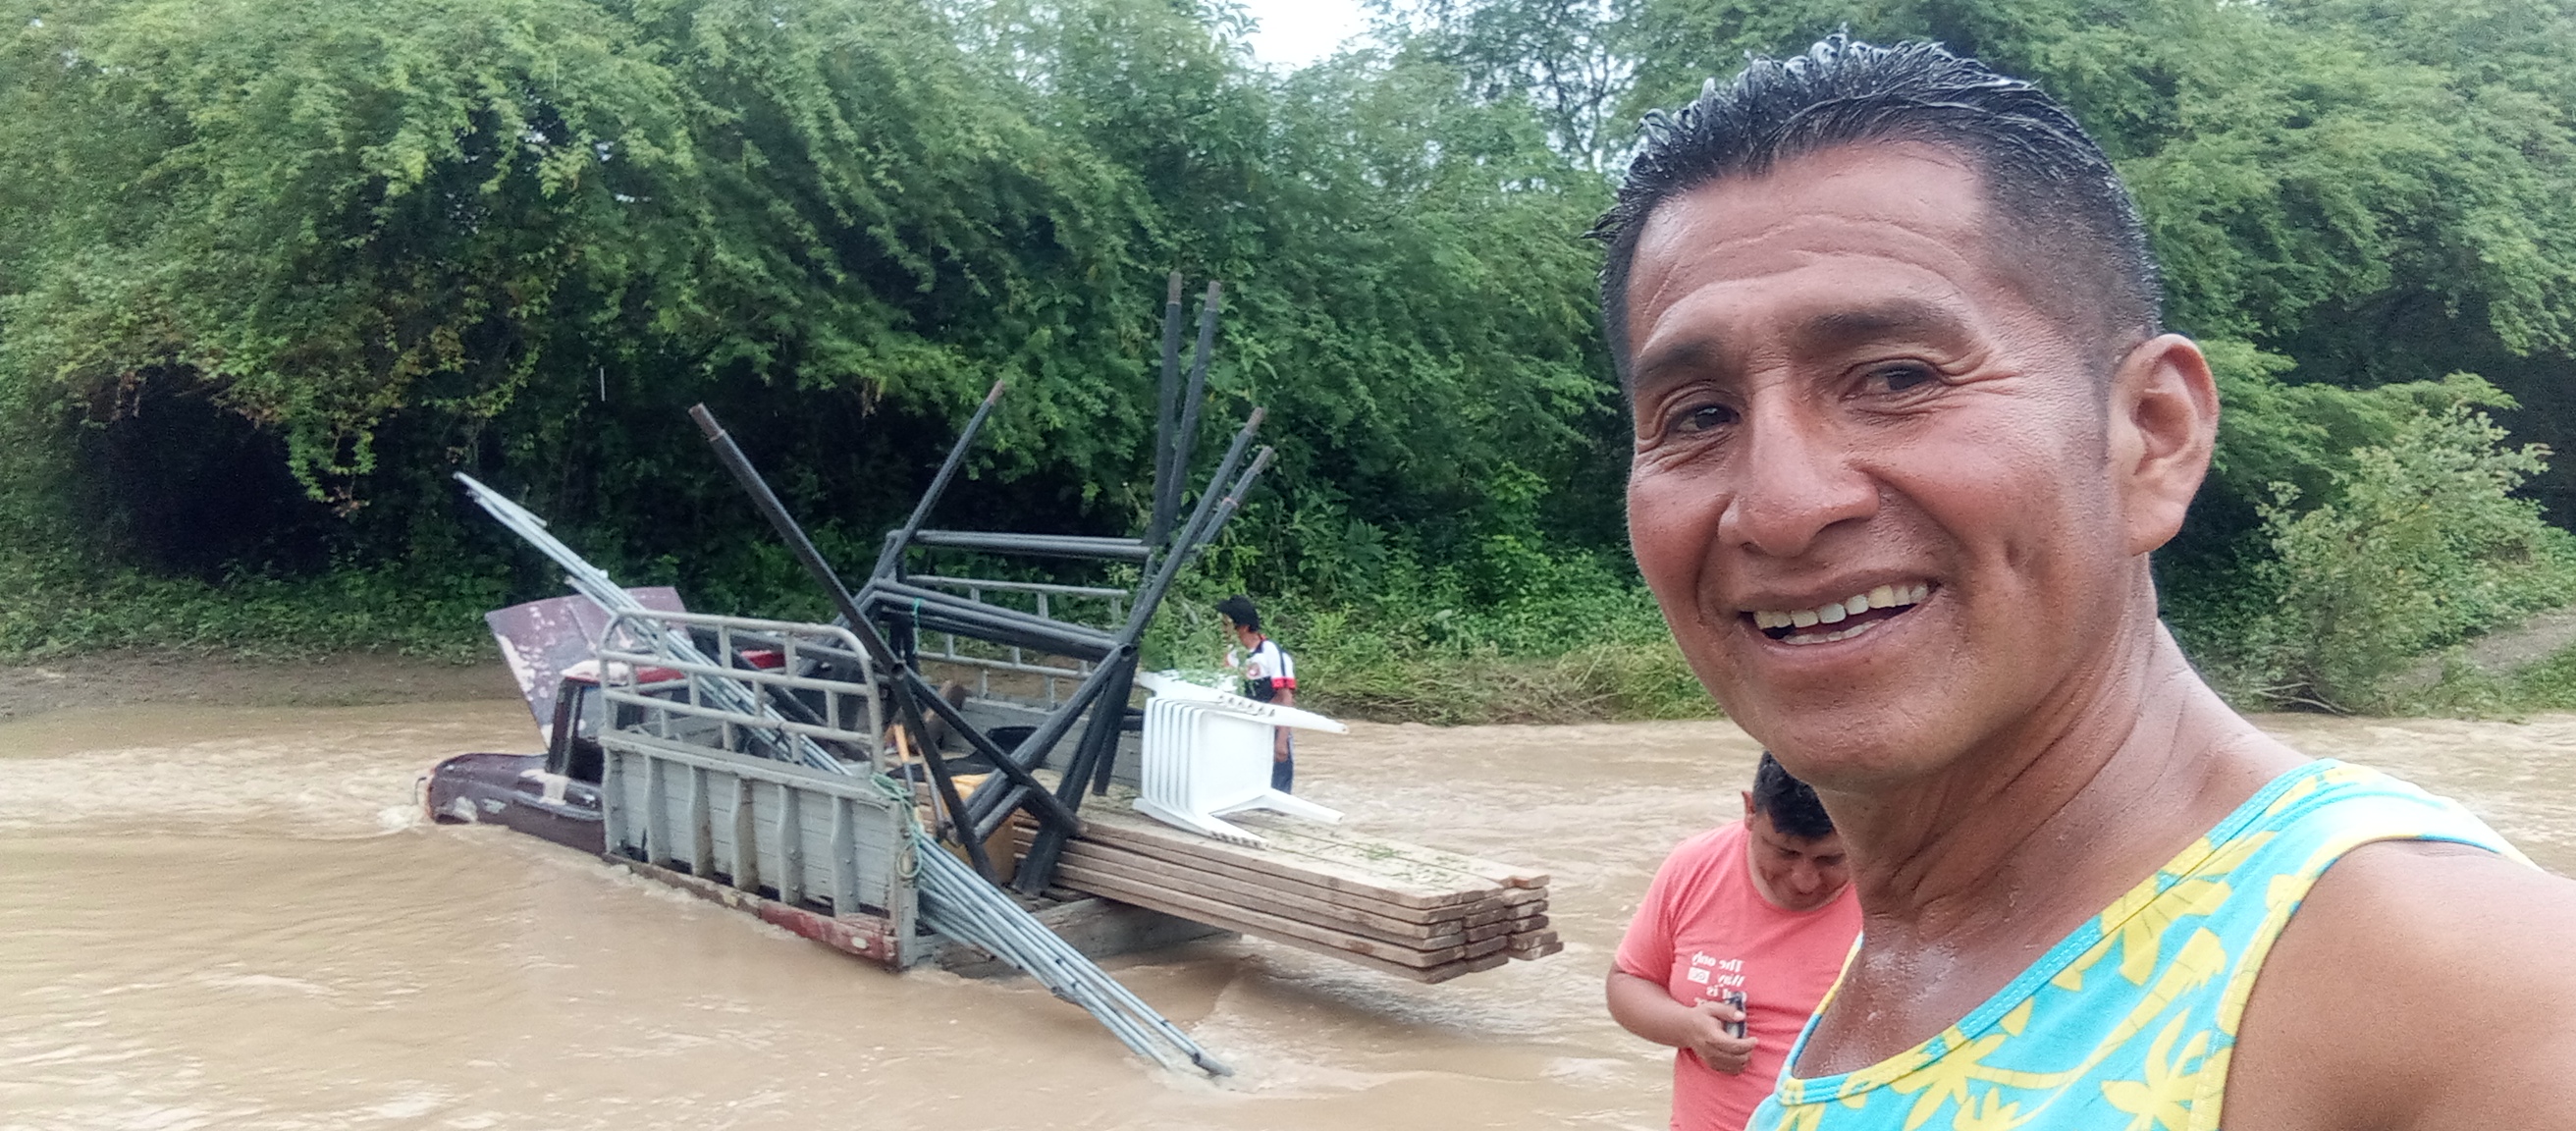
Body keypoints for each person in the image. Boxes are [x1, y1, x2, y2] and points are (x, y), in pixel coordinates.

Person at [1595, 34, 2576, 1131]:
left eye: (1897, 378)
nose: (1779, 506)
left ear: (2151, 436)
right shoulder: (1900, 965)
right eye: (1698, 415)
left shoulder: (2467, 1006)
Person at [1610, 753, 1862, 1131]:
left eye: (1831, 859)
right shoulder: (1694, 867)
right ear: (1750, 810)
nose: (1804, 880)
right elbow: (1628, 981)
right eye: (1785, 852)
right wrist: (1687, 1027)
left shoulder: (1897, 891)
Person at [1215, 594, 1298, 792]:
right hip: (1244, 731)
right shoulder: (1232, 655)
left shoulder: (1270, 652)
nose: (1222, 630)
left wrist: (1281, 741)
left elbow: (1285, 697)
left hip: (1272, 729)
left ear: (1243, 627)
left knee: (1276, 791)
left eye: (1226, 625)